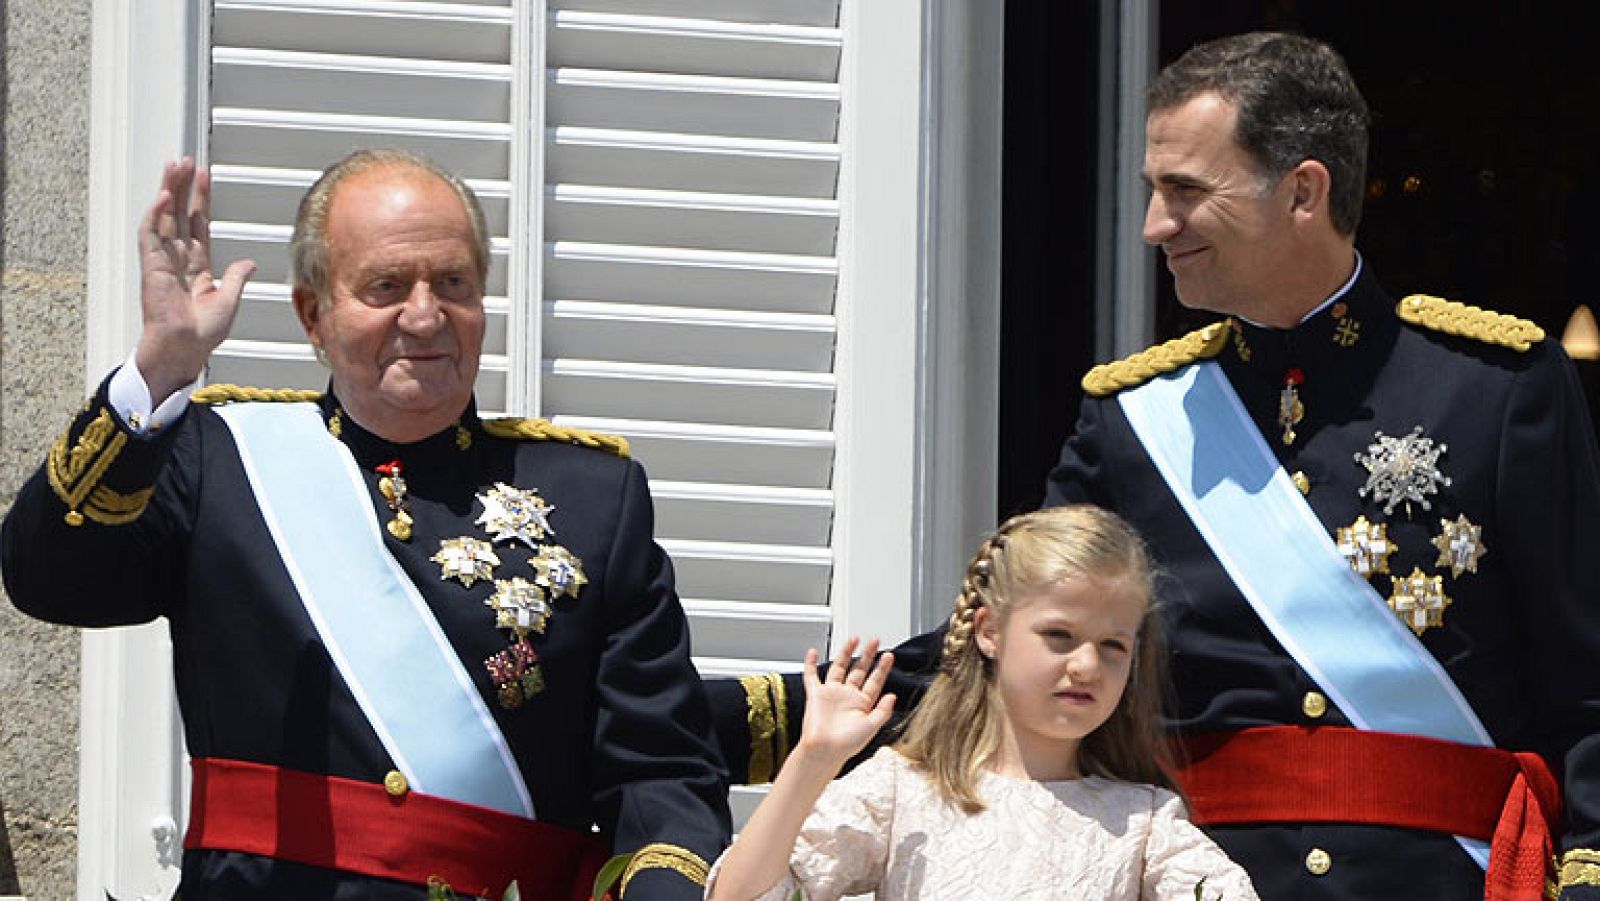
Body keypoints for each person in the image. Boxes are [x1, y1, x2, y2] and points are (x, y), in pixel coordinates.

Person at [708, 31, 1600, 900]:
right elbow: (1001, 637)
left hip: (1447, 872)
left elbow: (1584, 682)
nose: (1152, 225)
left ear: (1302, 191)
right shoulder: (1136, 418)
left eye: (1184, 191)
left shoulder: (1496, 390)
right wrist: (689, 719)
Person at [0, 150, 730, 899]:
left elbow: (661, 770)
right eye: (386, 286)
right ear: (314, 313)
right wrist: (157, 372)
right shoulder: (217, 461)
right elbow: (49, 578)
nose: (424, 314)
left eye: (454, 283)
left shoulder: (592, 498)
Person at [705, 505, 1259, 901]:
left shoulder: (1143, 821)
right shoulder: (902, 790)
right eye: (1059, 636)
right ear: (989, 631)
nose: (1087, 665)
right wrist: (813, 761)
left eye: (1113, 645)